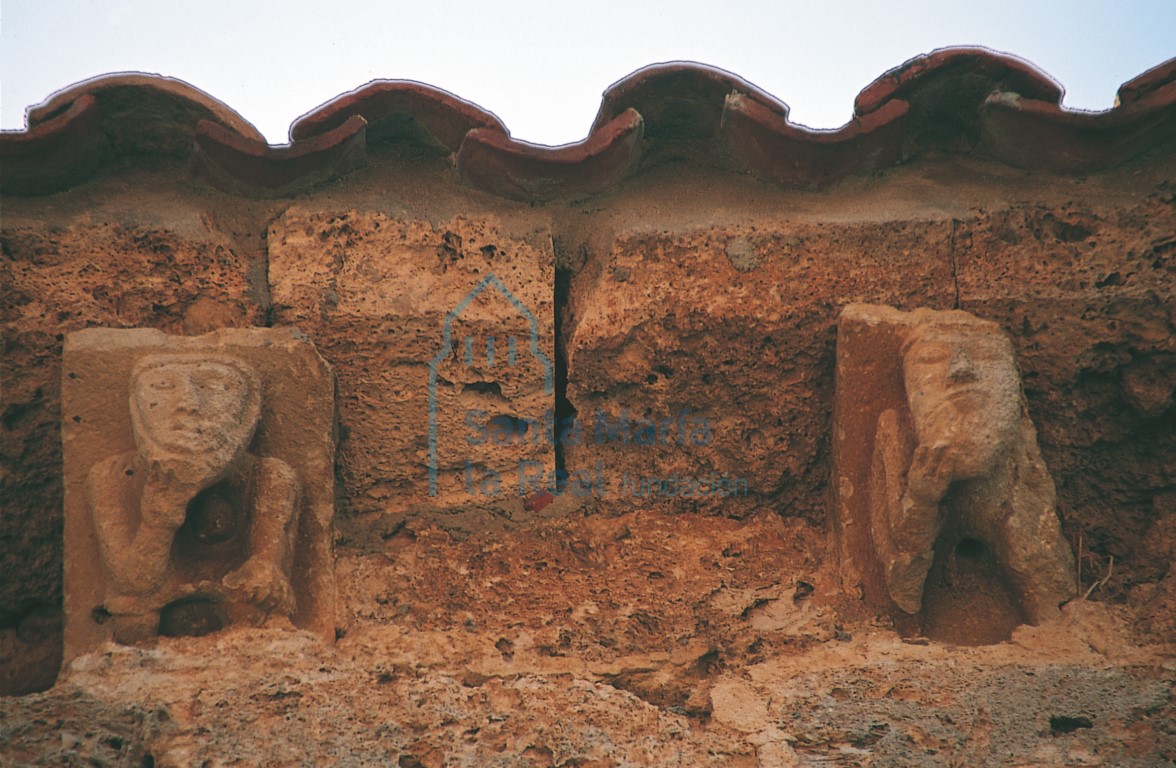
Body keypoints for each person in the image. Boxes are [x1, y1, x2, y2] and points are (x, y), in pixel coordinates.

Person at [870, 311, 1076, 624]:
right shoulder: (895, 432)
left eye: (987, 356)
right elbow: (904, 589)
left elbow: (1047, 583)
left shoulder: (1019, 462)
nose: (961, 370)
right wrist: (922, 500)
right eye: (930, 360)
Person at [87, 353, 300, 643]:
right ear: (136, 406)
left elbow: (266, 570)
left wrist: (264, 574)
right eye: (162, 387)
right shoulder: (115, 476)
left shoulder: (269, 477)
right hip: (148, 619)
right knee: (130, 612)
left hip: (237, 615)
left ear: (249, 410)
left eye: (216, 388)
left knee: (253, 609)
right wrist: (158, 522)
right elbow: (132, 585)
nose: (188, 404)